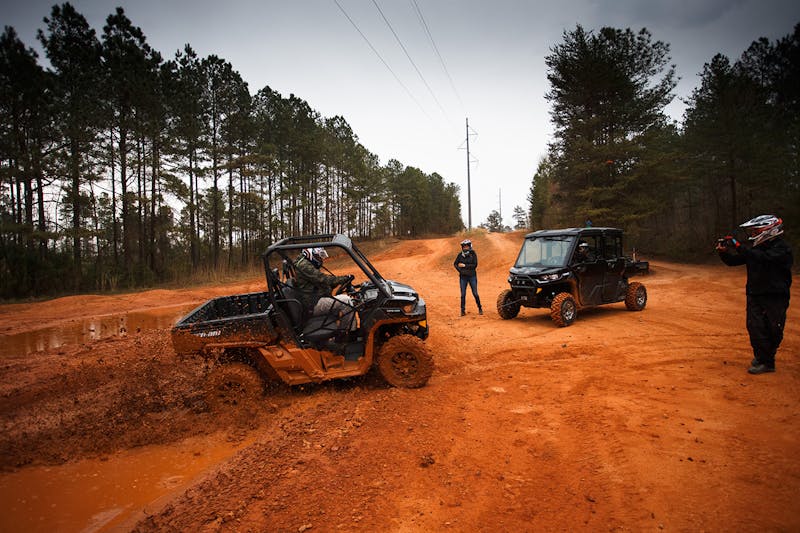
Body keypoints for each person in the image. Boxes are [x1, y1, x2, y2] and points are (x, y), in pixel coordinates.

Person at [716, 215, 793, 374]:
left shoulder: (781, 248)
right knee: (755, 327)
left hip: (775, 295)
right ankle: (763, 359)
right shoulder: (756, 249)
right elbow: (733, 261)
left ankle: (767, 359)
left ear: (769, 230)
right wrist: (723, 252)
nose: (753, 233)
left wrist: (738, 245)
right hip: (754, 293)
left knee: (773, 328)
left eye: (756, 230)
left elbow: (764, 258)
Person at [293, 247, 355, 329]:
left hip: (313, 299)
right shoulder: (304, 266)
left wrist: (335, 283)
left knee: (340, 300)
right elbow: (324, 279)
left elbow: (320, 282)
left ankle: (341, 330)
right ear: (311, 254)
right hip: (312, 304)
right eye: (318, 256)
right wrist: (344, 278)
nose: (320, 259)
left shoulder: (306, 263)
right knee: (347, 301)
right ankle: (347, 333)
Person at [453, 238, 483, 316]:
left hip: (472, 276)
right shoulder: (460, 255)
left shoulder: (473, 254)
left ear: (470, 246)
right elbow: (455, 264)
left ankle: (480, 308)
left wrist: (464, 265)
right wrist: (460, 270)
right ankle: (462, 311)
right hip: (463, 277)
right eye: (464, 247)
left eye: (467, 246)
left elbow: (475, 265)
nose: (465, 248)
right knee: (463, 294)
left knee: (475, 293)